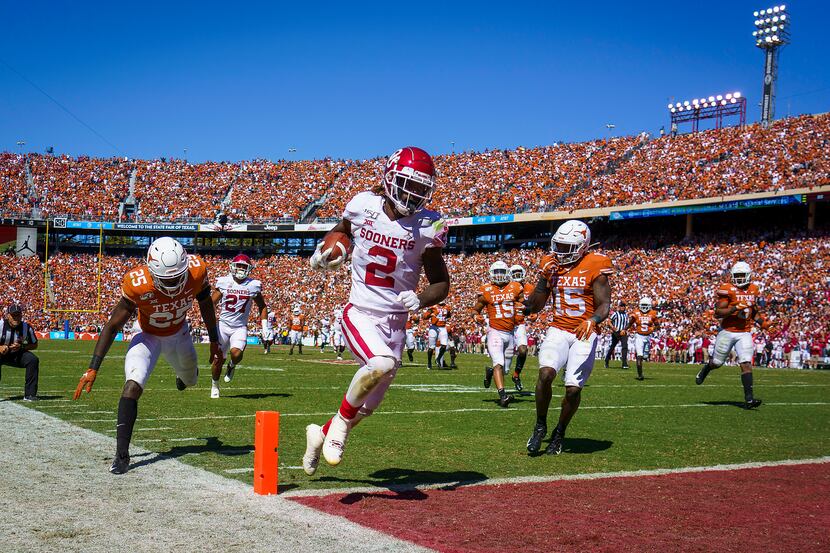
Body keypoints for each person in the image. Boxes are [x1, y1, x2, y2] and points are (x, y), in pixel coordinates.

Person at [302, 146, 449, 475]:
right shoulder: (362, 204)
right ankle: (339, 425)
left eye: (421, 189)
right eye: (407, 184)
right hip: (361, 311)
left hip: (396, 324)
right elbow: (341, 230)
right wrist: (328, 250)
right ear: (389, 178)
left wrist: (421, 299)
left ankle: (319, 434)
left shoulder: (429, 225)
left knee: (366, 407)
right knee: (378, 365)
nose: (413, 195)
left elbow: (441, 283)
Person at [73, 237, 222, 474]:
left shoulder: (196, 270)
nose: (173, 282)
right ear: (152, 271)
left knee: (192, 380)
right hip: (147, 336)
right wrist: (93, 367)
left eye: (177, 276)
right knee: (132, 385)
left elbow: (206, 304)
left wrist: (215, 340)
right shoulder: (138, 283)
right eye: (167, 278)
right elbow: (112, 326)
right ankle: (121, 455)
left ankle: (183, 378)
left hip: (179, 334)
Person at [522, 220, 613, 455]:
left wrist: (592, 320)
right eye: (558, 246)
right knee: (545, 374)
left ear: (583, 246)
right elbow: (535, 306)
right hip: (559, 328)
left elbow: (604, 305)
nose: (560, 251)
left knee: (573, 389)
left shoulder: (596, 264)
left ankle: (560, 431)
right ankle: (540, 425)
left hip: (584, 331)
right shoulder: (550, 264)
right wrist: (544, 278)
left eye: (566, 247)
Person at [695, 262, 768, 409]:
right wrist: (735, 308)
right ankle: (706, 368)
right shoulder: (727, 289)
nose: (740, 279)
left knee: (746, 363)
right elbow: (718, 312)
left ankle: (749, 400)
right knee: (717, 362)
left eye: (742, 276)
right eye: (737, 276)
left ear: (748, 275)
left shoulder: (753, 289)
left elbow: (752, 310)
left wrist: (761, 322)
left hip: (744, 332)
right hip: (727, 331)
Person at [211, 254, 268, 397]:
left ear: (249, 269)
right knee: (218, 359)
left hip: (240, 326)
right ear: (232, 267)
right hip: (223, 325)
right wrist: (211, 322)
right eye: (239, 266)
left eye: (244, 266)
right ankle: (215, 385)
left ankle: (232, 365)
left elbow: (262, 306)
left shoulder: (253, 285)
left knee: (236, 354)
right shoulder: (224, 282)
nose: (241, 269)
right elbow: (212, 303)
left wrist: (265, 326)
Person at [474, 260, 522, 407]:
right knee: (499, 363)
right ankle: (503, 396)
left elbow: (523, 305)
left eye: (502, 272)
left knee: (505, 370)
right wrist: (476, 316)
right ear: (491, 274)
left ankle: (490, 372)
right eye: (497, 272)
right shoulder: (486, 289)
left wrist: (529, 312)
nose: (500, 275)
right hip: (494, 331)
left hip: (510, 333)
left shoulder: (515, 287)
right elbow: (476, 309)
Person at [0, 304, 40, 401]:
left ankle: (29, 395)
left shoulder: (26, 327)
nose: (16, 318)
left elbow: (34, 344)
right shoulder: (0, 325)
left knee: (33, 360)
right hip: (1, 354)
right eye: (13, 315)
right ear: (8, 315)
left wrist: (22, 346)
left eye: (18, 315)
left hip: (17, 354)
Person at [509, 264, 535, 390]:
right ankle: (492, 372)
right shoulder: (507, 287)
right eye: (514, 273)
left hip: (519, 324)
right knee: (504, 360)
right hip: (505, 324)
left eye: (519, 272)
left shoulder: (529, 287)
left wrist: (533, 312)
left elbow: (533, 305)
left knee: (523, 350)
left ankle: (516, 375)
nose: (517, 275)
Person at [629, 296, 659, 381]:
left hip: (648, 337)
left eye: (646, 305)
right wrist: (624, 329)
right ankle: (640, 375)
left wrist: (653, 329)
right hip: (639, 336)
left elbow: (657, 325)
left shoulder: (653, 313)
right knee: (639, 356)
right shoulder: (636, 313)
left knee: (645, 356)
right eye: (643, 305)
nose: (644, 307)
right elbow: (630, 323)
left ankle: (640, 372)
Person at [423, 301, 451, 369]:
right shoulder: (433, 307)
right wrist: (430, 315)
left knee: (444, 345)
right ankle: (429, 363)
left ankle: (438, 359)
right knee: (431, 347)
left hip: (443, 327)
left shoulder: (447, 307)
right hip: (434, 327)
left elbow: (448, 316)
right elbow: (425, 317)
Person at [604, 301, 630, 369]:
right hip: (616, 332)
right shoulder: (615, 314)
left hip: (623, 332)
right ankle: (607, 360)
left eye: (624, 306)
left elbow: (627, 323)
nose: (623, 307)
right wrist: (613, 327)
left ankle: (624, 363)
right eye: (621, 306)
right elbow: (609, 321)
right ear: (619, 307)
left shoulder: (626, 315)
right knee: (613, 347)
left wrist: (625, 329)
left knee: (625, 346)